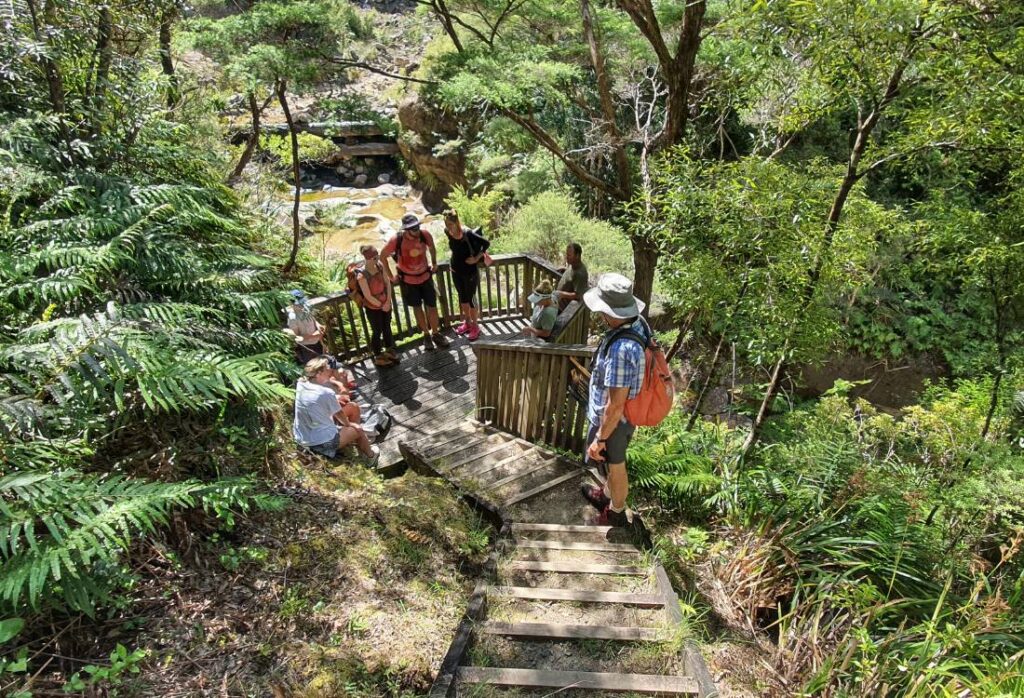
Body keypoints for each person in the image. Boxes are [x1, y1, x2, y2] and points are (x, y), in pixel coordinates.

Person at [579, 273, 650, 528]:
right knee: (611, 463)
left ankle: (616, 512)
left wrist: (600, 439)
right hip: (623, 417)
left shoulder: (621, 349)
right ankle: (606, 496)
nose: (600, 314)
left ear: (611, 312)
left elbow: (616, 404)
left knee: (616, 464)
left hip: (615, 422)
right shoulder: (638, 323)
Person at [381, 214, 450, 351]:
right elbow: (382, 256)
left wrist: (434, 263)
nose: (417, 230)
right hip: (408, 281)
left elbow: (432, 248)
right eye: (413, 228)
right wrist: (391, 276)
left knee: (432, 307)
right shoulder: (397, 240)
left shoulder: (425, 235)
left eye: (417, 226)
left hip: (425, 277)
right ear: (406, 229)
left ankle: (436, 333)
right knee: (417, 308)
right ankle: (426, 335)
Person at [294, 357, 379, 465]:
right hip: (320, 444)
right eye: (327, 369)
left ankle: (356, 441)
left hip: (303, 435)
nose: (331, 371)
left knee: (353, 407)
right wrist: (351, 425)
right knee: (358, 429)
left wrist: (337, 396)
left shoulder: (301, 383)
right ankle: (370, 457)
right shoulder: (325, 392)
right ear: (318, 373)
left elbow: (315, 400)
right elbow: (340, 415)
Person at [443, 209, 490, 342]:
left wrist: (476, 258)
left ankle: (475, 326)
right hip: (456, 272)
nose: (448, 227)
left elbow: (486, 243)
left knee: (471, 299)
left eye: (450, 224)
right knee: (463, 298)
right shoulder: (448, 232)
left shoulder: (467, 233)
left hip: (470, 273)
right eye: (446, 225)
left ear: (456, 222)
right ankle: (468, 323)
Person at [355, 244, 399, 367]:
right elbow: (368, 295)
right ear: (368, 259)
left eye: (377, 256)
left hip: (385, 302)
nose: (377, 259)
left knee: (387, 327)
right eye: (374, 258)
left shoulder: (380, 266)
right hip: (373, 308)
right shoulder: (362, 275)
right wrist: (381, 305)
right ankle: (378, 355)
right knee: (377, 330)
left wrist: (388, 301)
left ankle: (389, 350)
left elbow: (387, 283)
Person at [286, 289, 325, 363]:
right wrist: (313, 335)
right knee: (315, 366)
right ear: (292, 303)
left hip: (318, 342)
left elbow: (313, 320)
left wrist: (318, 325)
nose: (301, 305)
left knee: (324, 363)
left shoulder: (306, 309)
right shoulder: (292, 318)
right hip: (307, 347)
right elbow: (296, 337)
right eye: (298, 304)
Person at [555, 242, 589, 312]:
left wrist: (561, 294)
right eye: (566, 254)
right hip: (558, 304)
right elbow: (572, 276)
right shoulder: (573, 265)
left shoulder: (580, 274)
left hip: (563, 310)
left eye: (569, 255)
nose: (566, 257)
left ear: (577, 256)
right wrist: (565, 269)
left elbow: (578, 295)